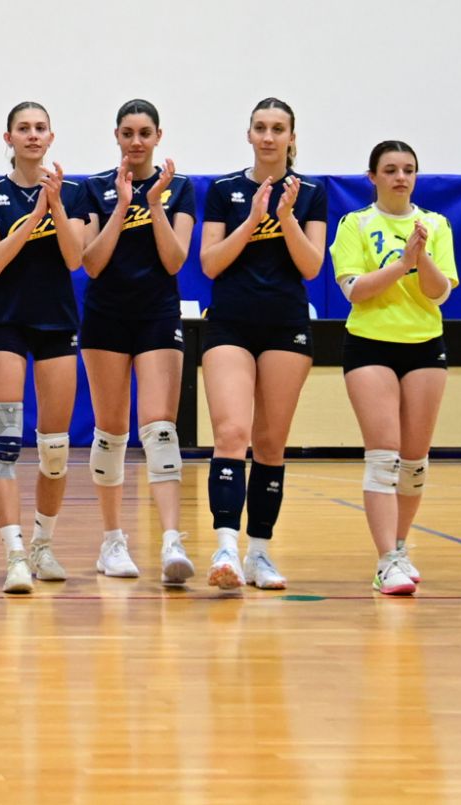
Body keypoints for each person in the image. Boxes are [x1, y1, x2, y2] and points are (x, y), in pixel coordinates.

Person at [198, 97, 328, 591]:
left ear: (292, 137)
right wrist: (253, 220)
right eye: (260, 127)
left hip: (285, 325)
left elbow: (311, 266)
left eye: (278, 128)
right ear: (249, 134)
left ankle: (259, 553)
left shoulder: (311, 193)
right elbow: (210, 263)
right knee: (232, 433)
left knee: (271, 442)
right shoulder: (224, 190)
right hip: (230, 324)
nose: (268, 136)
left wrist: (286, 217)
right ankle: (225, 548)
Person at [329, 141, 457, 596]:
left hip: (425, 345)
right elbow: (355, 290)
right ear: (373, 177)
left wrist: (422, 258)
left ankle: (400, 547)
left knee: (414, 461)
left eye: (408, 170)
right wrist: (402, 263)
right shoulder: (356, 224)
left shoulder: (436, 224)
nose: (400, 177)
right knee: (384, 455)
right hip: (370, 344)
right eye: (390, 170)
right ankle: (385, 561)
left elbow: (439, 293)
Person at [78, 100, 196, 584]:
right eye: (127, 133)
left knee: (160, 429)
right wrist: (124, 206)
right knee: (110, 432)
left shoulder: (179, 188)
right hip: (106, 317)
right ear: (116, 136)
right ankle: (112, 542)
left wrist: (154, 204)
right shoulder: (94, 188)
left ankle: (171, 541)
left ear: (158, 136)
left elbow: (174, 260)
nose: (136, 141)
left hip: (157, 315)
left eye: (145, 133)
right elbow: (91, 261)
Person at [0, 102, 86, 594]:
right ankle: (14, 553)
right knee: (4, 446)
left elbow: (75, 258)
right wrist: (35, 212)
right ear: (9, 138)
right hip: (7, 324)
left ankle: (43, 544)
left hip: (56, 323)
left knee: (55, 449)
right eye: (24, 128)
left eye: (40, 128)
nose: (33, 135)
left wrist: (55, 205)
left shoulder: (73, 192)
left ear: (51, 137)